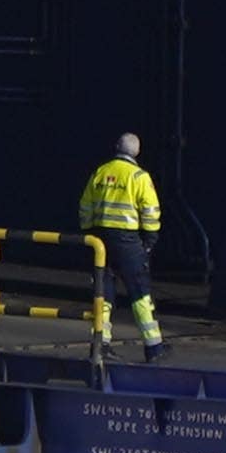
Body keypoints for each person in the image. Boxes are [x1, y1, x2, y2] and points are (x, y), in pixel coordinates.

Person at [80, 131, 165, 352]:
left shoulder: (101, 171)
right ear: (137, 152)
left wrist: (89, 231)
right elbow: (151, 210)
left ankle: (101, 343)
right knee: (140, 292)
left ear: (117, 146)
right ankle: (153, 347)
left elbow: (85, 206)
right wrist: (150, 238)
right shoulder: (139, 177)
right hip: (128, 240)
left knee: (104, 292)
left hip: (100, 240)